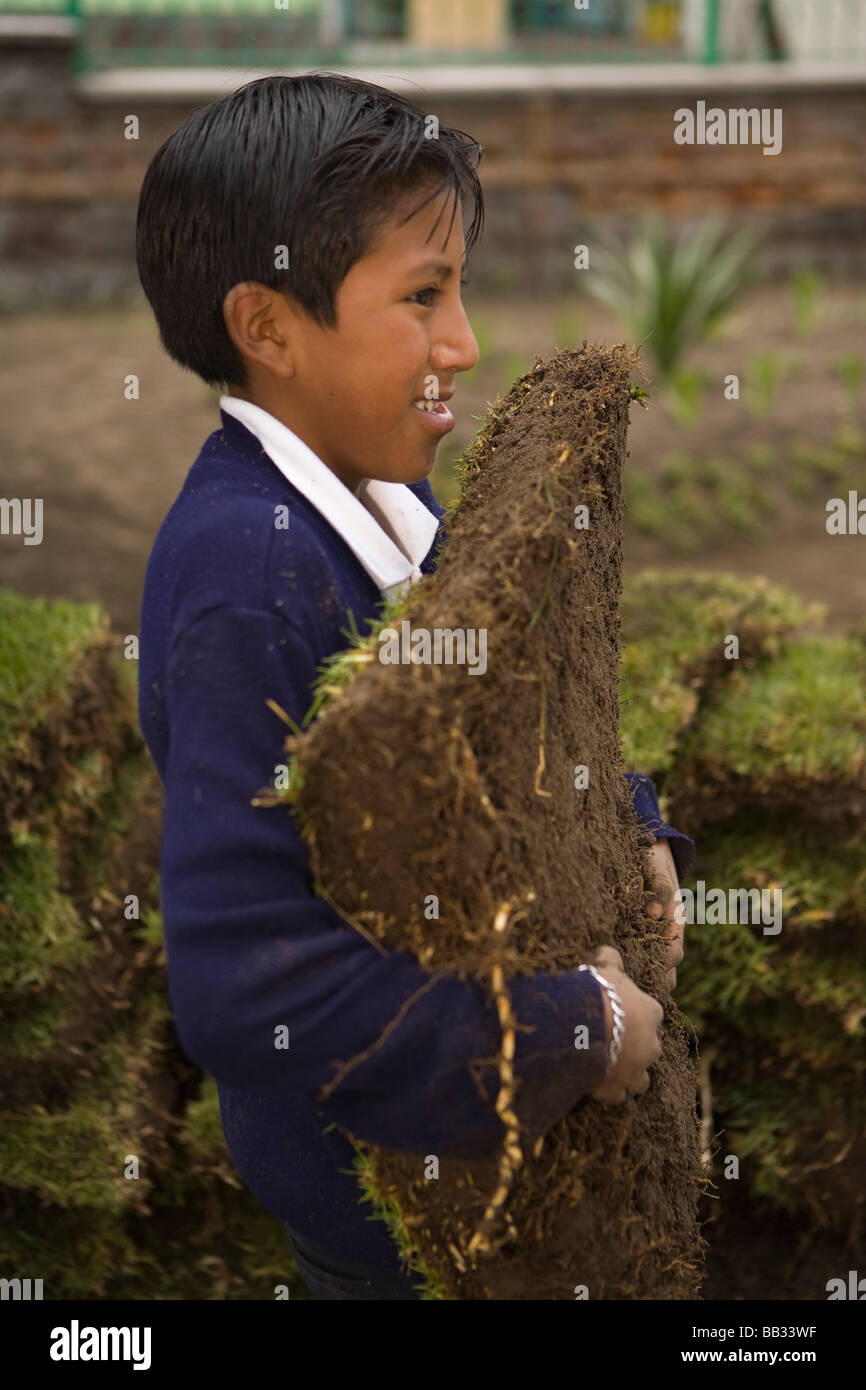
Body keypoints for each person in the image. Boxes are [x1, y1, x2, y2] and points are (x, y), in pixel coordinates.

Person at [135, 72, 694, 1301]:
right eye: (423, 296)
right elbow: (246, 991)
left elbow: (490, 736)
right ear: (268, 326)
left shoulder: (388, 500)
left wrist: (632, 823)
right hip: (382, 1215)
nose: (466, 344)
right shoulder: (252, 574)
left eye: (461, 290)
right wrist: (577, 1030)